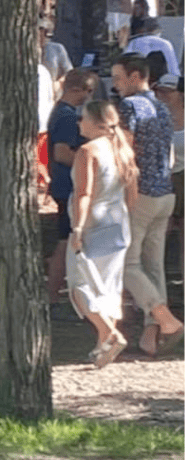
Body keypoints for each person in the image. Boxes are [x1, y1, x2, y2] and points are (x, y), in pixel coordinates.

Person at [111, 55, 183, 356]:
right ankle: (152, 335)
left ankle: (166, 320)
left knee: (128, 264)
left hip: (139, 192)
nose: (115, 85)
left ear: (135, 76)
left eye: (118, 78)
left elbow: (125, 151)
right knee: (153, 265)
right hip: (164, 191)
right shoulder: (162, 107)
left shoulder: (129, 106)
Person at [65, 101, 139, 367]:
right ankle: (102, 346)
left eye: (83, 118)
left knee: (80, 285)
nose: (79, 122)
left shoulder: (88, 151)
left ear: (96, 123)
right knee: (109, 286)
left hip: (93, 224)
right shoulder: (121, 146)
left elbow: (83, 193)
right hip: (117, 221)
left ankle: (109, 333)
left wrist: (78, 227)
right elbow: (132, 190)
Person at [46, 69, 97, 310]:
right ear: (77, 89)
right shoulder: (67, 116)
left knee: (66, 239)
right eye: (89, 91)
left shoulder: (61, 111)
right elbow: (62, 153)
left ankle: (57, 294)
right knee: (66, 241)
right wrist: (89, 162)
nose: (89, 97)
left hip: (64, 184)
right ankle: (53, 296)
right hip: (68, 185)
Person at [155, 74, 183, 281]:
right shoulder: (154, 118)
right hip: (163, 179)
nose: (162, 95)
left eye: (168, 91)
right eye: (159, 91)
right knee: (157, 237)